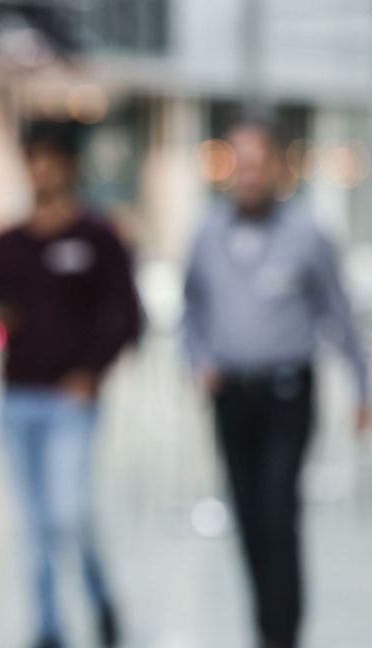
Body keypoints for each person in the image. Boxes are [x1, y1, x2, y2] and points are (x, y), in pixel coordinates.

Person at [182, 121, 370, 648]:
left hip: (288, 393)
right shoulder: (209, 234)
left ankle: (282, 636)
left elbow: (339, 312)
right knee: (246, 517)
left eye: (256, 164)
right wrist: (198, 359)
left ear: (277, 169)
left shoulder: (307, 235)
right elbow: (191, 308)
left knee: (277, 511)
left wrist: (363, 383)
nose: (247, 176)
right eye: (238, 165)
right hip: (231, 396)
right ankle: (264, 626)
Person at [0, 120, 141, 648]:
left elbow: (130, 318)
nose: (40, 170)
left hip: (71, 403)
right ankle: (47, 625)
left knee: (68, 513)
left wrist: (92, 372)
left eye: (50, 159)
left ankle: (100, 595)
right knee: (35, 522)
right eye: (33, 159)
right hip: (17, 399)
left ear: (69, 165)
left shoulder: (98, 236)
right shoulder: (5, 243)